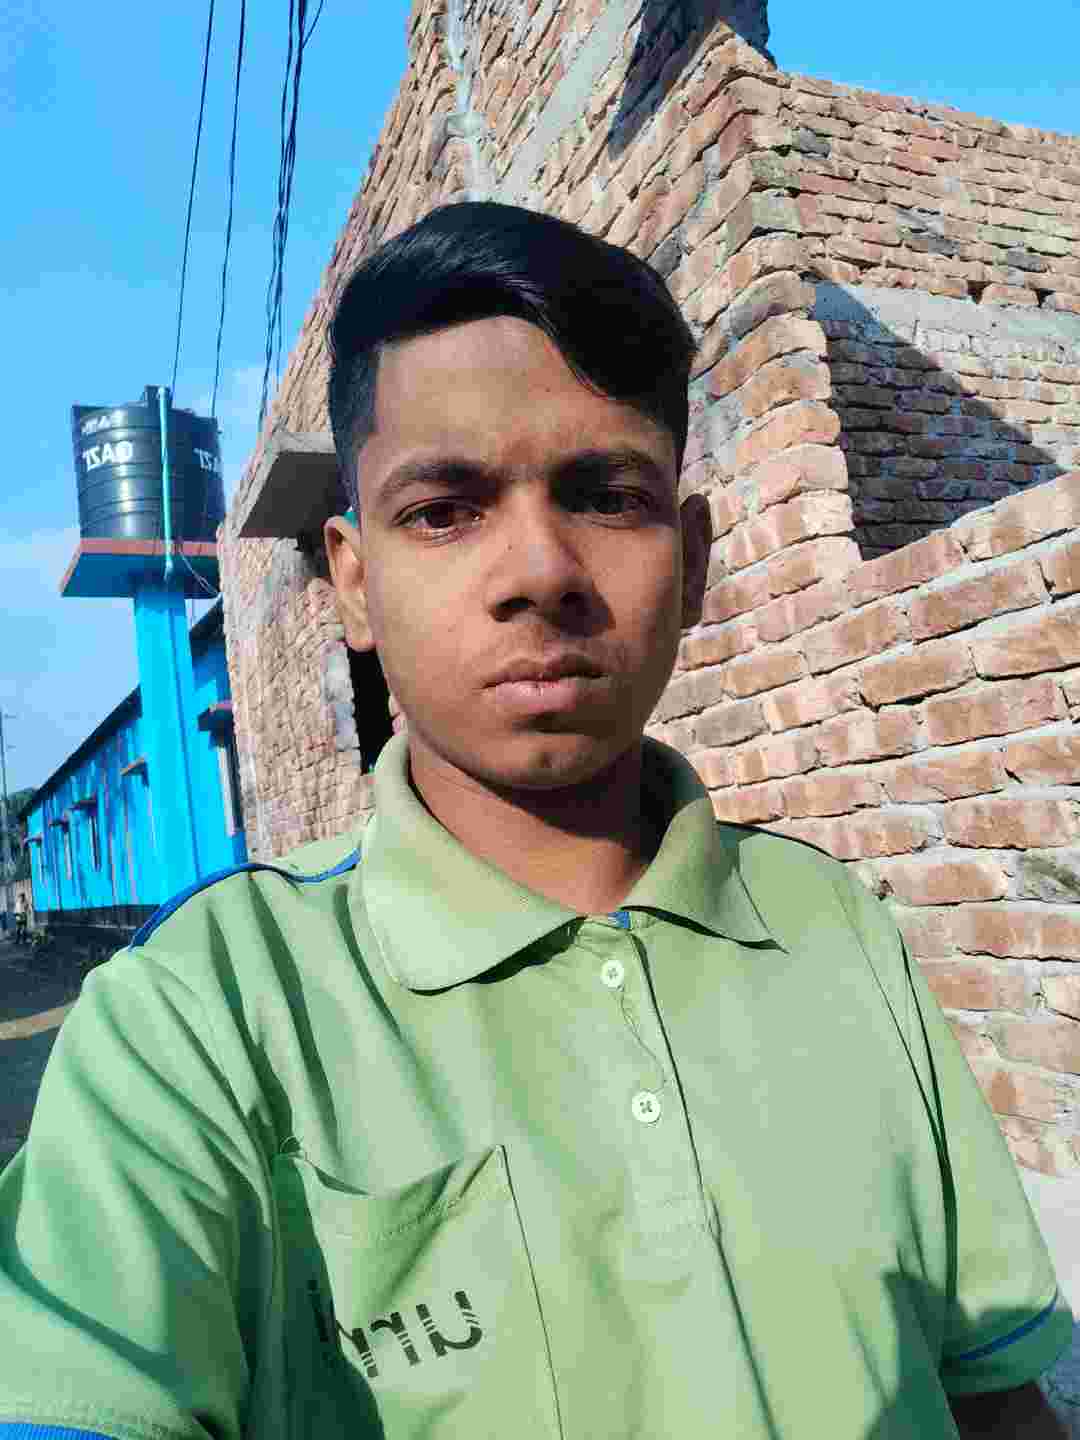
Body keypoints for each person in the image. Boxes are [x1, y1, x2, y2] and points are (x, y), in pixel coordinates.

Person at [0, 202, 1071, 1440]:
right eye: (445, 510)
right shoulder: (203, 1015)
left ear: (693, 558)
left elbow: (997, 1398)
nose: (541, 573)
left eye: (606, 495)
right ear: (353, 578)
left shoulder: (837, 929)